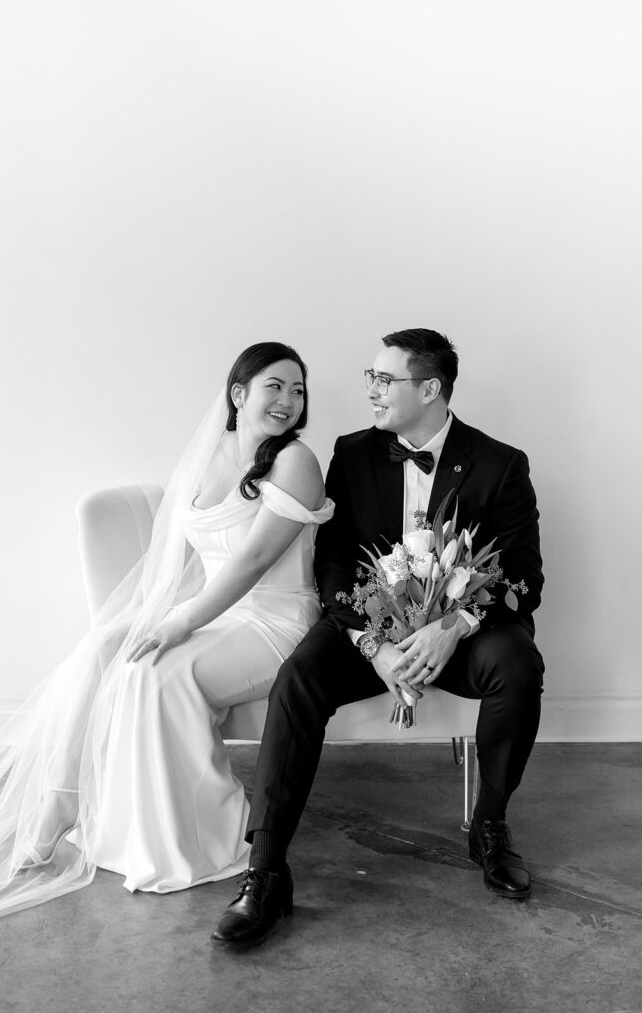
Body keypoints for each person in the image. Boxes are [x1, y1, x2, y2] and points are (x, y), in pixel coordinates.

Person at [0, 342, 333, 932]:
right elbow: (178, 559)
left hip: (275, 622)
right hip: (215, 613)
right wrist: (151, 615)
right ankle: (63, 798)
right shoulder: (208, 459)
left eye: (298, 390)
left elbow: (254, 560)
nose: (289, 401)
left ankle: (199, 829)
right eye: (275, 386)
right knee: (109, 647)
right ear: (239, 394)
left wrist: (181, 622)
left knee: (161, 674)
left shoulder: (297, 462)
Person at [212, 328, 545, 948]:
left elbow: (524, 576)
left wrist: (454, 625)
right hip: (372, 631)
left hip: (463, 639)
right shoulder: (353, 452)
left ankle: (490, 824)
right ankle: (266, 872)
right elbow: (335, 567)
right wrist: (375, 645)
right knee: (301, 677)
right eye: (372, 377)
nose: (371, 390)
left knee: (519, 665)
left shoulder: (502, 464)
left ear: (431, 389)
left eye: (383, 380)